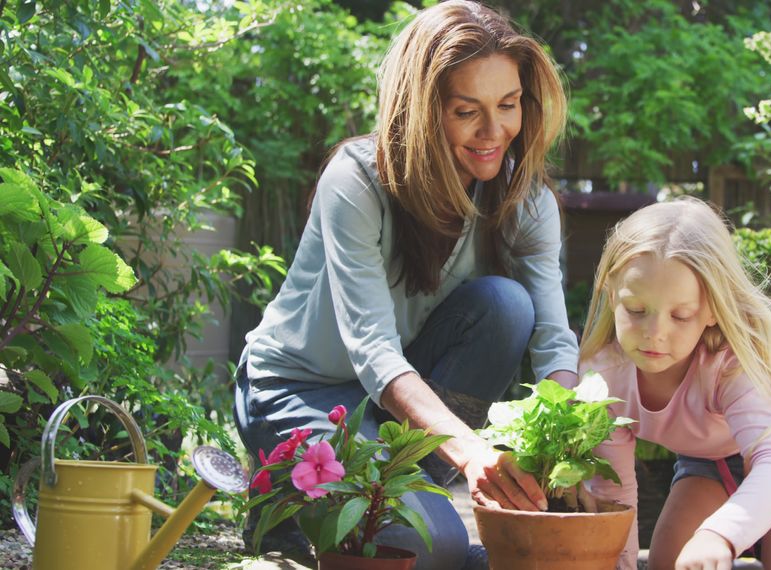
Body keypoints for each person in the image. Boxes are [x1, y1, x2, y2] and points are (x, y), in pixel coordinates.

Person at [232, 2, 579, 568]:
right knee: (435, 547)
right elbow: (372, 350)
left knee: (507, 306)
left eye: (509, 105)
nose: (494, 133)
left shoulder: (526, 201)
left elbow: (551, 336)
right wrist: (471, 451)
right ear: (421, 110)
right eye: (468, 111)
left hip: (389, 410)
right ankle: (285, 499)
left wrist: (565, 439)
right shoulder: (357, 179)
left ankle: (402, 492)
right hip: (301, 389)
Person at [577, 197, 771, 570]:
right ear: (610, 291)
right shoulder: (602, 376)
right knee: (669, 564)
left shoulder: (732, 367)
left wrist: (719, 533)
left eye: (681, 316)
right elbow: (614, 490)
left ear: (713, 310)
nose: (655, 333)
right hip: (710, 457)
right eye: (636, 311)